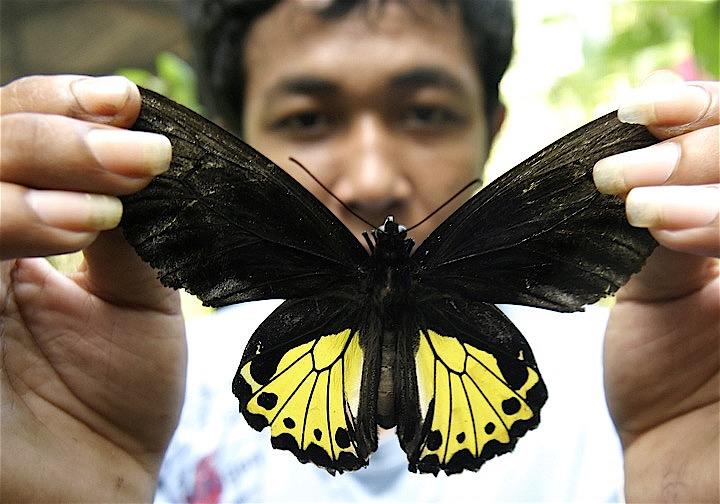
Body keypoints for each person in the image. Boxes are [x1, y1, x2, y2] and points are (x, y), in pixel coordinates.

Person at [0, 0, 717, 502]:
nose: (373, 177)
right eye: (307, 117)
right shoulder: (115, 403)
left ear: (492, 127)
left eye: (425, 113)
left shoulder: (659, 387)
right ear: (234, 140)